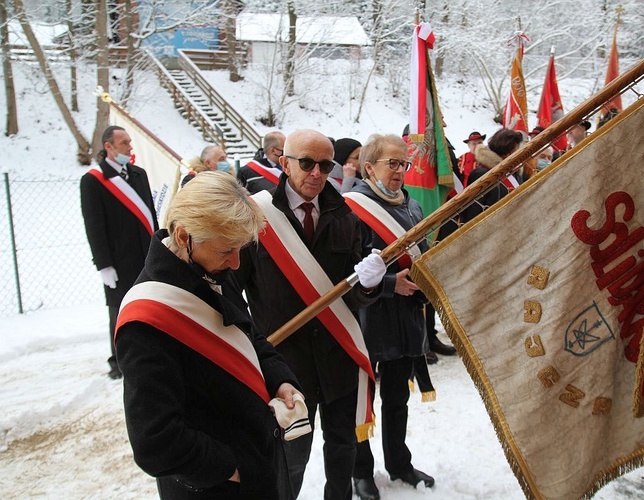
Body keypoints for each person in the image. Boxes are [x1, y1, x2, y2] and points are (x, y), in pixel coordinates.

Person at [116, 172, 304, 498]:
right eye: (227, 250)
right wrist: (234, 468)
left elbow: (249, 336)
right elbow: (155, 440)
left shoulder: (207, 264)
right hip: (216, 486)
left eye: (241, 248)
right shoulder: (146, 317)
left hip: (258, 465)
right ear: (184, 235)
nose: (235, 262)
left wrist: (280, 379)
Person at [235, 129, 387, 500]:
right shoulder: (256, 217)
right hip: (286, 365)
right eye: (306, 163)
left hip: (338, 358)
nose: (316, 173)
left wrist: (369, 285)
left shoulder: (345, 216)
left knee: (342, 450)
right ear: (284, 163)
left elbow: (352, 297)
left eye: (325, 164)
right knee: (290, 459)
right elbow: (233, 293)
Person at [347, 134, 435, 500]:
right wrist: (388, 284)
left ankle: (399, 463)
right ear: (369, 167)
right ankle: (360, 471)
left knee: (397, 398)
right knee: (359, 402)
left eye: (404, 164)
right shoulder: (350, 208)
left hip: (406, 319)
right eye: (392, 164)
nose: (400, 171)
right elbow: (343, 273)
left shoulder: (412, 207)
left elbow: (424, 252)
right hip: (367, 319)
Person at [80, 125, 158, 380]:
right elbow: (94, 225)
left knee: (149, 304)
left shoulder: (139, 174)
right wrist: (103, 264)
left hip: (146, 254)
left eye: (129, 142)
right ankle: (118, 359)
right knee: (120, 310)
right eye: (124, 143)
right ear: (109, 147)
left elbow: (151, 216)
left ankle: (150, 350)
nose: (130, 147)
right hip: (118, 259)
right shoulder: (93, 180)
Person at [461, 128, 524, 224]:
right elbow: (472, 213)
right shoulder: (482, 174)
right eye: (515, 151)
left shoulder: (515, 173)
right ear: (506, 153)